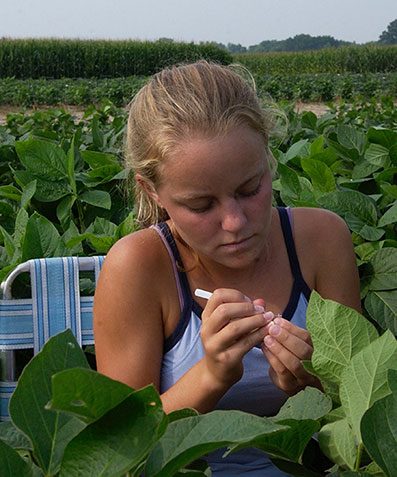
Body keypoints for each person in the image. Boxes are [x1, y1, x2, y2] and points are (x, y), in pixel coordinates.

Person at [93, 61, 361, 475]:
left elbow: (364, 405)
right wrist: (212, 375)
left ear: (267, 155)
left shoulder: (323, 239)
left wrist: (314, 381)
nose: (235, 222)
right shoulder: (138, 267)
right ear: (153, 191)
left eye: (250, 189)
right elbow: (117, 450)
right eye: (201, 205)